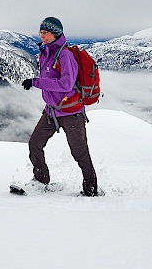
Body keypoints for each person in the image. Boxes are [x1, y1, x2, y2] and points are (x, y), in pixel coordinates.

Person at [21, 17, 101, 197]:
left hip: (72, 112)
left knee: (79, 153)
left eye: (46, 33)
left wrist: (36, 82)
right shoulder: (45, 54)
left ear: (56, 33)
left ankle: (91, 189)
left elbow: (66, 84)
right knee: (35, 144)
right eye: (41, 32)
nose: (42, 36)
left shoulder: (65, 55)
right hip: (51, 111)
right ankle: (41, 181)